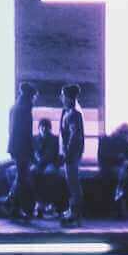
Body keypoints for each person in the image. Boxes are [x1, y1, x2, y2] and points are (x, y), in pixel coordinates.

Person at [6, 82, 39, 222]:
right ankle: (14, 203)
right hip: (22, 149)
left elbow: (13, 130)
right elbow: (26, 133)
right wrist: (32, 153)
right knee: (23, 178)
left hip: (16, 147)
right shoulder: (25, 108)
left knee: (21, 177)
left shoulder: (15, 107)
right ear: (30, 95)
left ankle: (13, 205)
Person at [56, 85, 87, 225]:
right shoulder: (71, 113)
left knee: (73, 184)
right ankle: (74, 211)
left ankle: (75, 213)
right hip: (71, 154)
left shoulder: (73, 114)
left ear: (68, 97)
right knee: (73, 184)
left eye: (63, 95)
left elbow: (75, 136)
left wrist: (67, 152)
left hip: (71, 155)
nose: (61, 98)